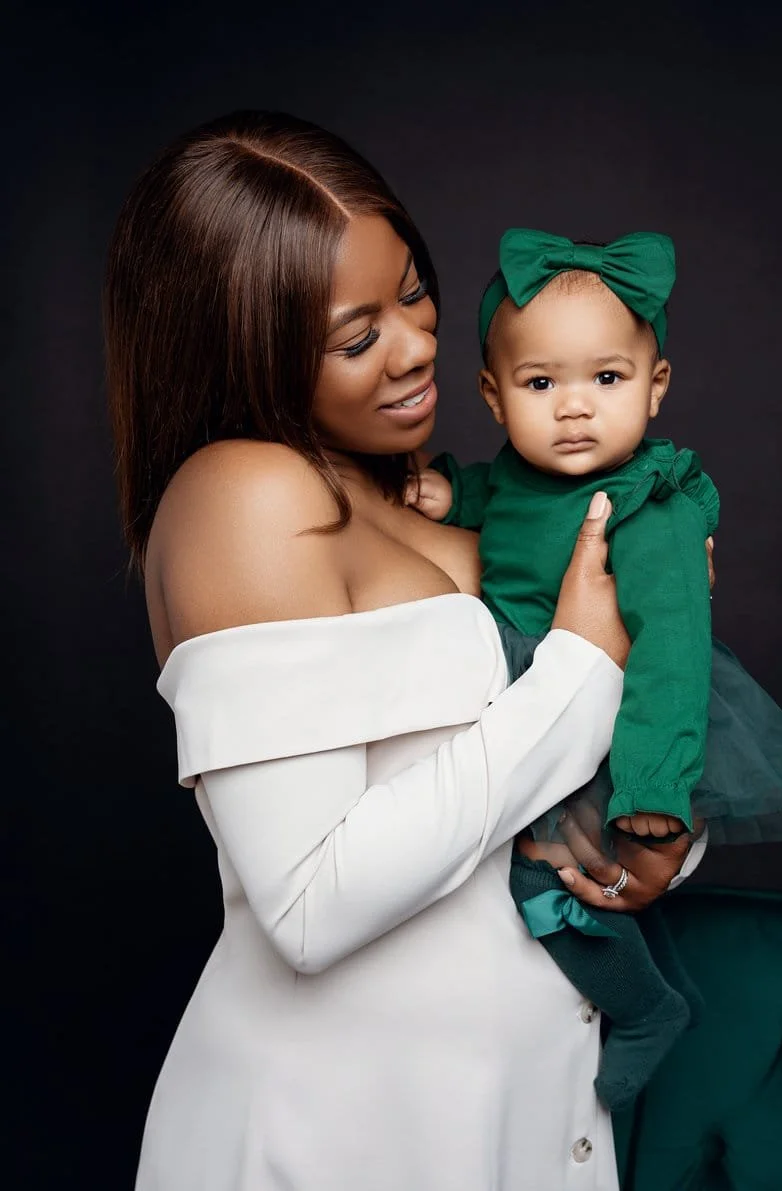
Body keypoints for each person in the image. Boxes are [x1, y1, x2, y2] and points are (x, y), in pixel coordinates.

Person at [106, 111, 708, 1191]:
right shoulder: (244, 497)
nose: (420, 343)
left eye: (414, 290)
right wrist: (583, 666)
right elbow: (308, 904)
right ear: (241, 349)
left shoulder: (427, 491)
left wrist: (647, 835)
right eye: (356, 337)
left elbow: (527, 785)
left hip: (530, 1118)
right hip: (340, 1137)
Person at [407, 229, 782, 1111]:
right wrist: (453, 492)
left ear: (656, 386)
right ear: (493, 394)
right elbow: (504, 497)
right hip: (533, 690)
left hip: (623, 721)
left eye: (607, 378)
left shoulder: (651, 509)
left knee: (542, 873)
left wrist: (652, 790)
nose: (574, 409)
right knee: (566, 880)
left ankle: (645, 1008)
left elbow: (671, 653)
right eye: (540, 384)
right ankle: (664, 981)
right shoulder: (520, 474)